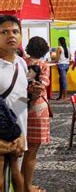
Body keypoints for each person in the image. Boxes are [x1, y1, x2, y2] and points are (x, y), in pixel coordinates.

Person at [0, 15, 31, 192]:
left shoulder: (21, 63)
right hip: (1, 132)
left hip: (18, 130)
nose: (11, 35)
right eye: (4, 32)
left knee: (15, 171)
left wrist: (31, 95)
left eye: (15, 31)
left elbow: (20, 96)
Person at [24, 36, 52, 192]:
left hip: (21, 106)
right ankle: (27, 186)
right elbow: (42, 85)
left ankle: (21, 184)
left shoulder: (22, 62)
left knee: (23, 150)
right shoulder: (43, 65)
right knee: (32, 151)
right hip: (37, 108)